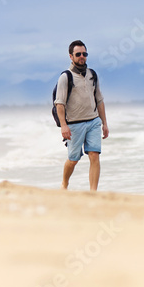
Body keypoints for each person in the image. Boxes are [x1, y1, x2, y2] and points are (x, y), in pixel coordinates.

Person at [54, 40, 109, 190]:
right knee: (73, 160)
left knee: (94, 155)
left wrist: (104, 123)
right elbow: (59, 104)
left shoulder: (93, 75)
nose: (82, 57)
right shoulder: (65, 77)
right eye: (78, 54)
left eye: (84, 54)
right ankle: (65, 183)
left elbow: (99, 100)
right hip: (74, 125)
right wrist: (63, 126)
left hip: (93, 122)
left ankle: (93, 192)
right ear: (71, 56)